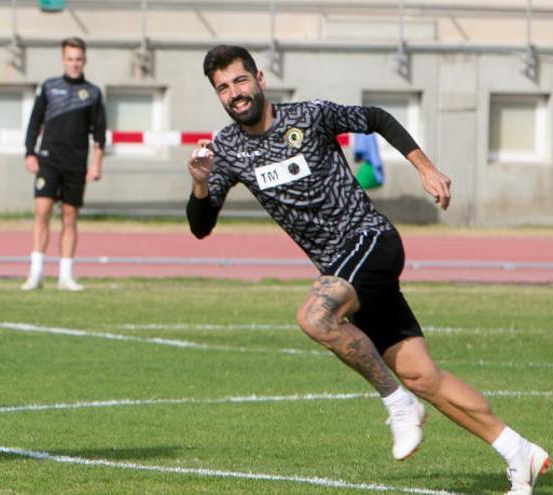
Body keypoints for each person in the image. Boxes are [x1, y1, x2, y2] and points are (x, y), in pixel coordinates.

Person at [186, 45, 549, 494]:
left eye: (240, 81)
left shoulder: (310, 116)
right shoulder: (227, 148)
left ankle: (398, 405)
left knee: (314, 317)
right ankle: (519, 451)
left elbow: (376, 117)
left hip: (371, 242)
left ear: (259, 78)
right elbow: (201, 227)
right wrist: (201, 184)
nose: (235, 93)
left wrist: (426, 168)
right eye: (223, 88)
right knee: (422, 376)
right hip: (344, 272)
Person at [22, 36, 106, 292]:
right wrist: (29, 153)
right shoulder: (49, 87)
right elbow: (34, 123)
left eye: (79, 59)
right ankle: (35, 273)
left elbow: (99, 134)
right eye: (70, 59)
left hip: (76, 164)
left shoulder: (92, 93)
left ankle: (65, 276)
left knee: (70, 218)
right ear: (63, 60)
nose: (74, 63)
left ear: (85, 60)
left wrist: (96, 165)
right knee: (42, 213)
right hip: (48, 160)